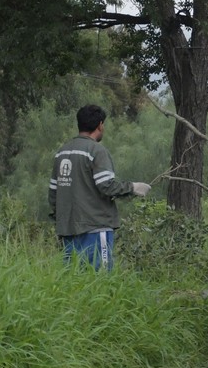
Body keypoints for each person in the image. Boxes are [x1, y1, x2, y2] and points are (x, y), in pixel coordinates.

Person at [48, 104, 151, 270]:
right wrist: (133, 187)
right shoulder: (96, 150)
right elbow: (106, 186)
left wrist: (61, 220)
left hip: (67, 231)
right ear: (100, 125)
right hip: (96, 228)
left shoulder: (62, 152)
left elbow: (53, 193)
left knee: (73, 280)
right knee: (100, 280)